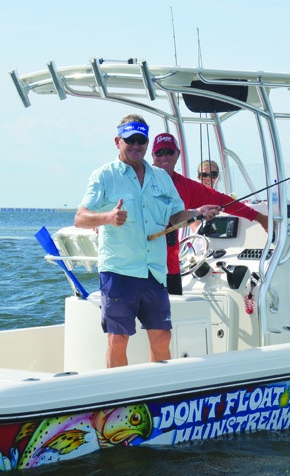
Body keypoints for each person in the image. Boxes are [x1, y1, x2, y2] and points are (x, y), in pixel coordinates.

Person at [74, 115, 221, 368]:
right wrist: (107, 217)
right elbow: (80, 218)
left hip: (154, 270)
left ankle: (159, 392)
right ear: (117, 141)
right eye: (129, 140)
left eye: (140, 140)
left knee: (163, 335)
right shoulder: (104, 175)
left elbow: (176, 215)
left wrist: (198, 212)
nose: (135, 145)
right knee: (117, 339)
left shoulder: (161, 178)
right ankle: (120, 399)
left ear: (146, 142)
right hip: (119, 270)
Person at [151, 132, 269, 294]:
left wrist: (259, 217)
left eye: (169, 152)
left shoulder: (187, 186)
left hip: (171, 268)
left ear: (177, 154)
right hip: (143, 268)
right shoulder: (140, 180)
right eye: (159, 153)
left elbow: (223, 201)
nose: (164, 157)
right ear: (152, 156)